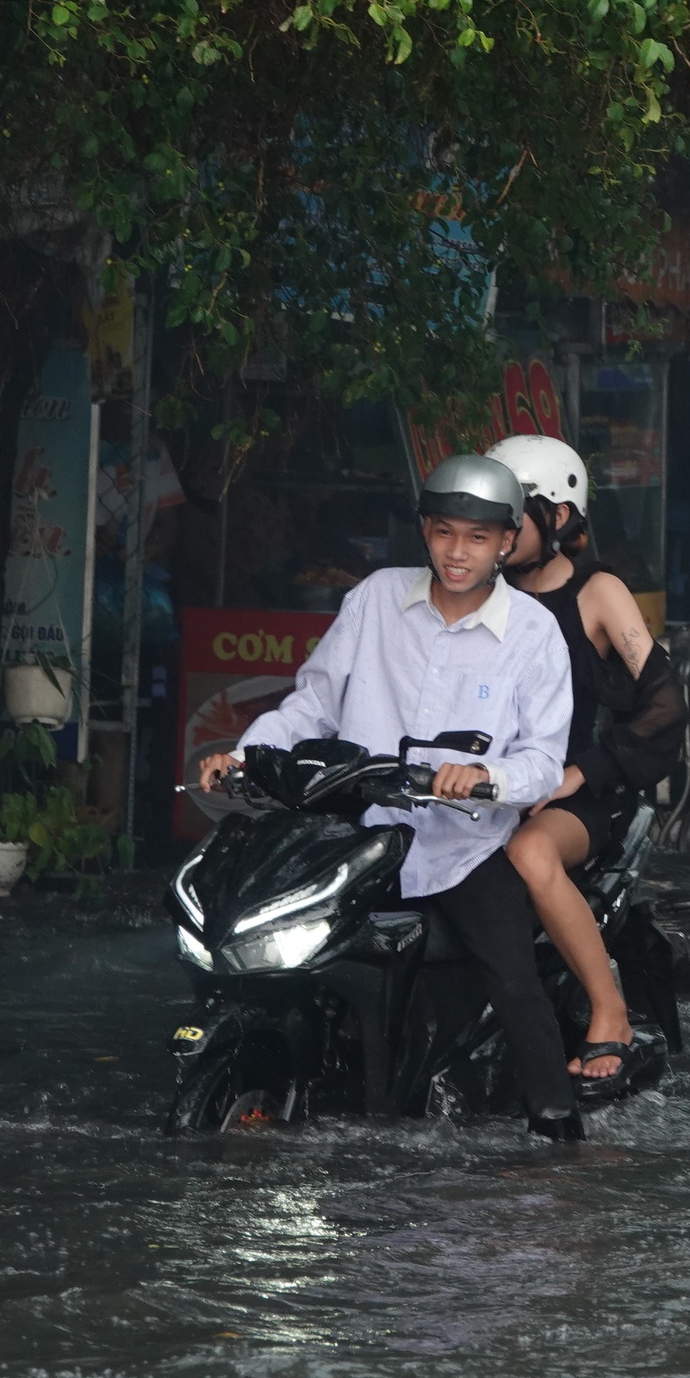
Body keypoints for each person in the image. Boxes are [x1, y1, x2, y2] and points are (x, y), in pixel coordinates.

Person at [194, 455, 583, 1135]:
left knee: (514, 981)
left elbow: (544, 761)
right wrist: (245, 754)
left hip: (461, 846)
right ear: (424, 530)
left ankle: (558, 1133)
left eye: (477, 537)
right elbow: (312, 705)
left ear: (505, 541)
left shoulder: (533, 633)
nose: (457, 552)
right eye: (443, 532)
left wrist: (485, 777)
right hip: (358, 836)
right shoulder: (375, 598)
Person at [484, 434, 689, 1084]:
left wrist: (581, 771)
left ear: (559, 518)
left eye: (511, 514)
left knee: (530, 854)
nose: (496, 530)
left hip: (573, 796)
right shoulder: (471, 592)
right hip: (480, 787)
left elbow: (665, 705)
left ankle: (610, 1012)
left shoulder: (598, 593)